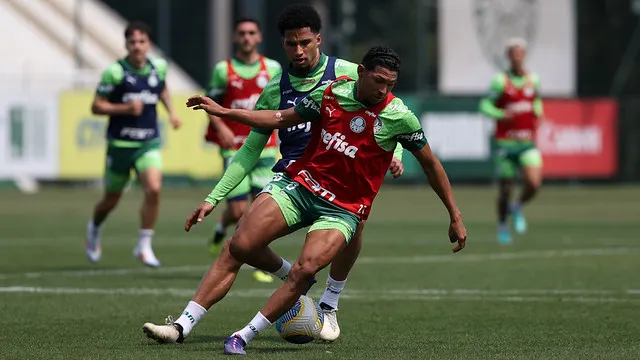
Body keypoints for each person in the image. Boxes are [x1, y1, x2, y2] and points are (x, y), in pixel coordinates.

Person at [141, 4, 403, 344]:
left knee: (357, 221)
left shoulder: (351, 72)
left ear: (318, 40)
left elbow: (390, 109)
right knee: (238, 245)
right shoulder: (275, 89)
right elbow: (249, 150)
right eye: (291, 44)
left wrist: (395, 152)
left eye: (305, 42)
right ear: (282, 44)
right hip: (295, 179)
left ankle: (330, 304)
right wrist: (213, 198)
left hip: (344, 181)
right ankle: (181, 326)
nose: (299, 50)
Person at [186, 45, 467, 355]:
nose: (383, 89)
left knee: (305, 270)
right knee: (240, 244)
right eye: (378, 81)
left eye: (390, 84)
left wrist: (454, 214)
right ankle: (271, 286)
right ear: (361, 72)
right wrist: (224, 111)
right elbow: (280, 118)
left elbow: (431, 165)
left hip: (342, 209)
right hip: (303, 188)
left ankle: (242, 336)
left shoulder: (399, 115)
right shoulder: (330, 94)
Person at [85, 21, 181, 267]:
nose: (137, 46)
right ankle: (95, 228)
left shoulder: (158, 67)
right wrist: (124, 107)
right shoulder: (115, 72)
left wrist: (171, 112)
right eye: (132, 42)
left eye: (142, 42)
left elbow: (162, 90)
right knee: (112, 198)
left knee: (154, 189)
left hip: (148, 142)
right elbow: (96, 106)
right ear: (126, 44)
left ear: (148, 44)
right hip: (120, 145)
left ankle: (144, 245)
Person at [205, 18, 282, 283]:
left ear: (259, 37)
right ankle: (221, 228)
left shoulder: (272, 67)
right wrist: (221, 128)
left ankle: (260, 261)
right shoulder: (223, 70)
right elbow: (210, 104)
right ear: (234, 38)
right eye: (242, 33)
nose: (247, 37)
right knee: (238, 212)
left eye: (252, 32)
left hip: (267, 149)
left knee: (261, 212)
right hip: (235, 148)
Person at [479, 38, 544, 245]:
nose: (517, 57)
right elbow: (484, 105)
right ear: (509, 57)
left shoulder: (533, 80)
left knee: (534, 183)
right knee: (506, 188)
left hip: (527, 142)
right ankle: (502, 224)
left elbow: (536, 101)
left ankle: (517, 206)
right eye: (513, 54)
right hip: (505, 143)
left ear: (524, 56)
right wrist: (500, 114)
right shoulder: (500, 81)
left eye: (520, 53)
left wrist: (539, 113)